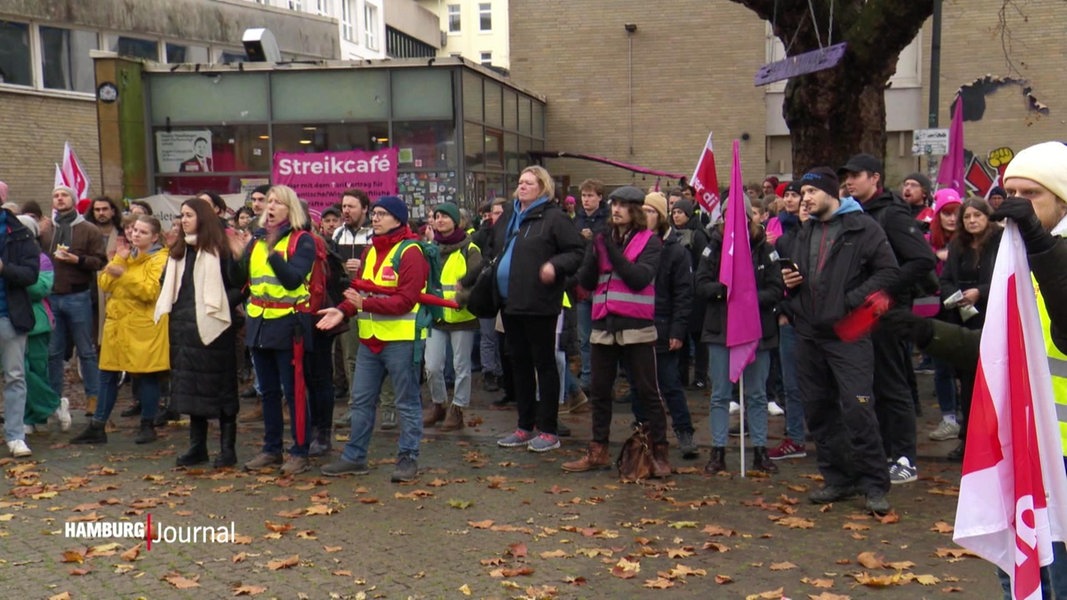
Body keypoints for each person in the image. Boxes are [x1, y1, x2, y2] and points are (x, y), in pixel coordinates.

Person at [883, 141, 1067, 598]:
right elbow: (999, 355)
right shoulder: (1017, 255)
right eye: (1012, 192)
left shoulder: (1043, 254)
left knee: (1060, 575)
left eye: (1034, 193)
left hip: (1061, 450)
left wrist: (1040, 246)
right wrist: (926, 334)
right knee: (1019, 573)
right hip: (1022, 442)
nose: (1019, 203)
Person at [780, 168, 899, 515]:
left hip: (849, 332)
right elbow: (798, 278)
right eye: (802, 193)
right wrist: (790, 283)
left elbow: (889, 272)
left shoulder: (863, 228)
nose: (805, 199)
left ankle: (875, 484)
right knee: (818, 409)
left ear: (831, 193)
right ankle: (839, 478)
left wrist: (850, 299)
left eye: (811, 192)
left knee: (858, 408)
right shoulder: (806, 231)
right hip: (809, 332)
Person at [839, 153, 936, 486]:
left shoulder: (892, 215)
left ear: (875, 178)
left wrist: (884, 290)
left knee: (893, 384)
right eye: (846, 176)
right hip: (859, 313)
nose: (849, 181)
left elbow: (922, 260)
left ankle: (906, 457)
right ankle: (882, 451)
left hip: (888, 313)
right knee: (870, 385)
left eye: (855, 175)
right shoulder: (851, 214)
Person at [317, 196, 430, 482]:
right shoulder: (370, 251)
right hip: (370, 339)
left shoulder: (412, 252)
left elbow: (406, 301)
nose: (376, 218)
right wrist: (342, 311)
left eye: (382, 214)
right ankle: (354, 458)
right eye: (375, 213)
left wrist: (362, 306)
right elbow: (357, 292)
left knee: (406, 403)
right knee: (361, 402)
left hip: (401, 341)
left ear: (398, 219)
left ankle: (408, 459)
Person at [562, 186, 668, 474]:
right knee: (599, 390)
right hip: (604, 325)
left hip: (637, 327)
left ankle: (659, 452)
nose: (616, 209)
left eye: (622, 205)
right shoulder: (602, 239)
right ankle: (598, 451)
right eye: (614, 204)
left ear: (635, 210)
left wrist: (609, 250)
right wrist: (593, 253)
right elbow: (586, 279)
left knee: (647, 391)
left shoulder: (651, 243)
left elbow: (638, 278)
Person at [493, 166, 584, 452]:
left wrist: (554, 266)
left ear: (543, 187)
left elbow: (577, 252)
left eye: (529, 183)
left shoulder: (553, 218)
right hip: (509, 302)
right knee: (518, 363)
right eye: (519, 181)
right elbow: (493, 246)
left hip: (539, 302)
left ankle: (548, 429)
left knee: (543, 364)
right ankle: (524, 425)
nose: (522, 186)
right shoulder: (510, 215)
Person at [698, 195, 784, 474]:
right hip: (720, 330)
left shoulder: (765, 249)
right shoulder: (713, 248)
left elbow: (776, 288)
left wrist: (749, 298)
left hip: (757, 330)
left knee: (757, 394)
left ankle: (760, 450)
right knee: (720, 394)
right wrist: (726, 292)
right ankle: (718, 451)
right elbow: (701, 285)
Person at [155, 197, 242, 468]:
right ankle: (197, 447)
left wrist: (219, 306)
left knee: (221, 391)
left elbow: (239, 285)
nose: (183, 220)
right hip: (183, 332)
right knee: (190, 391)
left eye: (189, 214)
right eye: (181, 215)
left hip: (214, 330)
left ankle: (227, 450)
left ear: (203, 218)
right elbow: (166, 284)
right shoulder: (179, 250)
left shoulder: (220, 249)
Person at [238, 185, 316, 475]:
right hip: (258, 323)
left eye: (277, 203)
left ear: (290, 209)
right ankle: (271, 448)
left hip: (288, 324)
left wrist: (272, 252)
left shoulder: (302, 240)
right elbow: (241, 279)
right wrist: (235, 253)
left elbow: (294, 280)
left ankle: (299, 451)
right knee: (267, 391)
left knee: (293, 392)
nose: (269, 207)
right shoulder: (256, 241)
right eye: (267, 201)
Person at [70, 216, 169, 445]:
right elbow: (104, 283)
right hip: (117, 324)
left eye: (143, 232)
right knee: (107, 374)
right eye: (134, 230)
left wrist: (123, 274)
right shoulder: (126, 255)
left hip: (143, 325)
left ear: (154, 237)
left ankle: (147, 424)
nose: (136, 235)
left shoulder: (160, 259)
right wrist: (120, 263)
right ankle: (97, 425)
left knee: (146, 376)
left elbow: (149, 292)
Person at [632, 191, 696, 459]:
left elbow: (683, 294)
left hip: (663, 324)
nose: (645, 216)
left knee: (669, 383)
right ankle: (642, 433)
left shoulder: (675, 251)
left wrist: (677, 330)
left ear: (660, 217)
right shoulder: (633, 245)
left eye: (651, 211)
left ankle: (684, 432)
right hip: (635, 323)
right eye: (642, 210)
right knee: (638, 384)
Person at [40, 185, 107, 418]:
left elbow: (100, 261)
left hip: (78, 296)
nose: (59, 198)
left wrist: (76, 259)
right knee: (54, 352)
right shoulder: (47, 230)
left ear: (73, 200)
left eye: (64, 195)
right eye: (56, 195)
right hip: (52, 297)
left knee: (86, 350)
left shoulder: (88, 229)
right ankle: (54, 401)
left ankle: (94, 396)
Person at [422, 203, 482, 432]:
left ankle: (457, 408)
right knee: (433, 366)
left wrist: (463, 297)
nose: (440, 220)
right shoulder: (430, 248)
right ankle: (438, 404)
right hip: (436, 315)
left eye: (445, 216)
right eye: (436, 216)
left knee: (461, 366)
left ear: (457, 221)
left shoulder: (470, 249)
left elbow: (478, 281)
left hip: (461, 316)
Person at [18, 215, 67, 434]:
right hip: (12, 320)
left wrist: (14, 277)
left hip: (38, 322)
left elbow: (40, 289)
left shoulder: (42, 259)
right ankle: (52, 405)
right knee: (19, 370)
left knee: (36, 369)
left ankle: (33, 416)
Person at [1, 207, 42, 457]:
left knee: (15, 376)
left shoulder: (19, 233)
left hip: (9, 315)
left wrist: (4, 268)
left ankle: (15, 435)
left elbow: (31, 274)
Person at [926, 189, 963, 446]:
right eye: (946, 213)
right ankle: (949, 417)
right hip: (937, 312)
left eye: (955, 213)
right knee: (942, 368)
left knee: (965, 368)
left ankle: (967, 417)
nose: (951, 219)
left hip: (965, 312)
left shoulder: (972, 241)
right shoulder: (928, 242)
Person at [573, 179, 610, 393]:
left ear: (599, 197)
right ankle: (587, 378)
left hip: (600, 284)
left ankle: (603, 378)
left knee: (603, 335)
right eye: (584, 196)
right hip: (581, 284)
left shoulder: (606, 221)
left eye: (590, 196)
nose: (586, 200)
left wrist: (591, 239)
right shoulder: (575, 220)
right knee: (584, 336)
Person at [670, 197, 710, 390]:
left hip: (696, 294)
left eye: (680, 212)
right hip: (680, 292)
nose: (676, 215)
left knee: (698, 337)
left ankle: (701, 376)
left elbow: (702, 263)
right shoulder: (671, 234)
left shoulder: (698, 235)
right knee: (682, 337)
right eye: (674, 212)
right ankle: (681, 376)